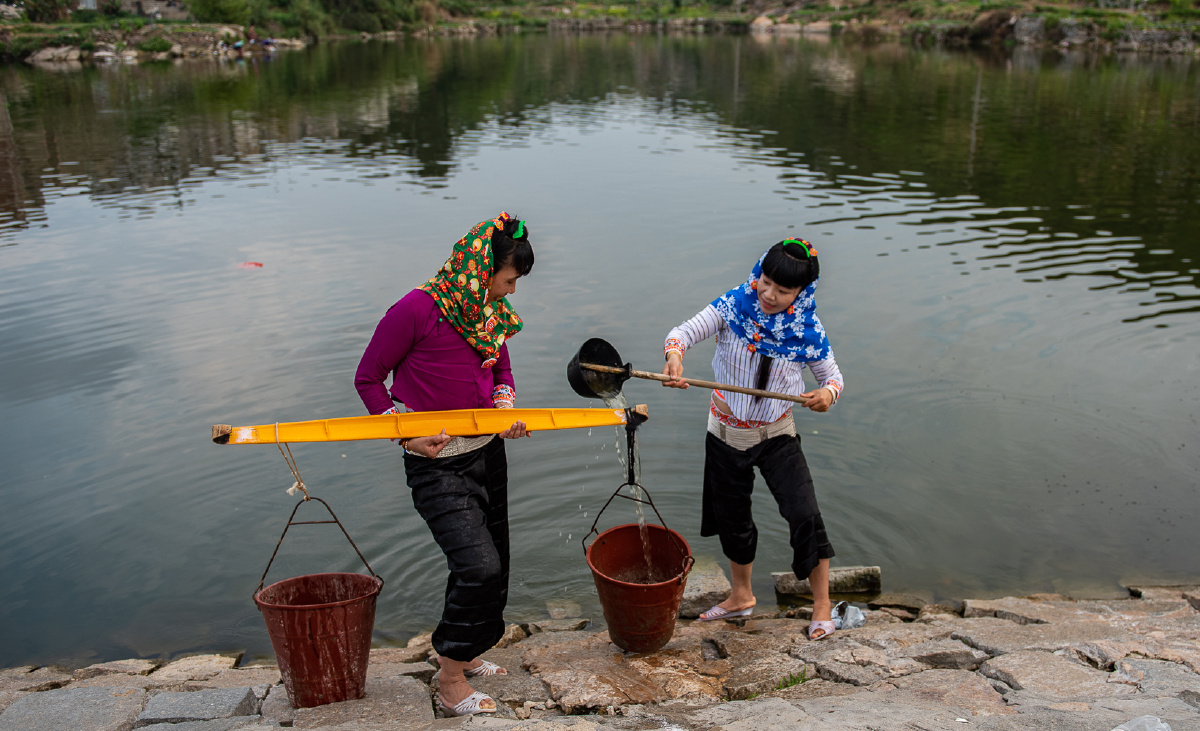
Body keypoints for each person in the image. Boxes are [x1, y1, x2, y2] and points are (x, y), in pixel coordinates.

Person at [354, 212, 534, 716]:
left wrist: (505, 407)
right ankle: (450, 677)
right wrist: (405, 434)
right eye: (510, 280)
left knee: (493, 561)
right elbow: (369, 380)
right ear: (480, 270)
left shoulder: (485, 310)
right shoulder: (416, 310)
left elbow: (499, 364)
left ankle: (468, 651)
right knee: (478, 565)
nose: (512, 291)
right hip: (436, 465)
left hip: (486, 454)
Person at [661, 238, 844, 641]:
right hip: (724, 432)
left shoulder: (805, 329)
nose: (769, 295)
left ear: (802, 292)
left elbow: (832, 378)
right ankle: (741, 596)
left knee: (805, 515)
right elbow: (682, 333)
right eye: (766, 282)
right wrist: (675, 357)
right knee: (733, 519)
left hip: (777, 434)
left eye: (783, 290)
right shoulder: (733, 306)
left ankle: (821, 606)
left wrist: (826, 396)